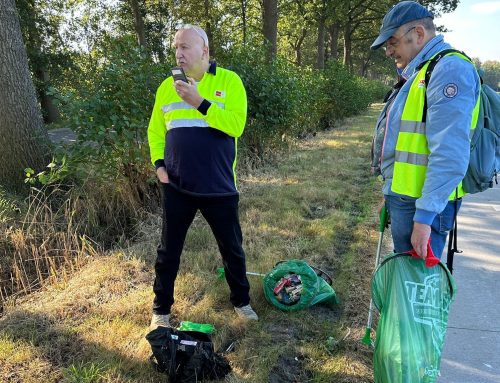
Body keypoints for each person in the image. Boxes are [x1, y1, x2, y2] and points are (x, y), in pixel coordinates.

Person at [147, 24, 258, 329]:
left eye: (185, 47)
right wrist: (159, 166)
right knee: (168, 251)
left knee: (232, 248)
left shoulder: (229, 81)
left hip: (219, 186)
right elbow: (156, 131)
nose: (178, 54)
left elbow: (236, 126)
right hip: (177, 186)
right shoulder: (165, 87)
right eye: (175, 48)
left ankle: (241, 301)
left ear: (205, 51)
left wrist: (200, 102)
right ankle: (161, 310)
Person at [370, 1, 481, 260]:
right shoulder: (421, 72)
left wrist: (424, 219)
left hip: (423, 206)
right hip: (407, 200)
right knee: (406, 286)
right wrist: (390, 193)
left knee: (416, 292)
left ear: (418, 34)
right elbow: (404, 144)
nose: (388, 51)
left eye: (393, 42)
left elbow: (449, 153)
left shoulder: (448, 70)